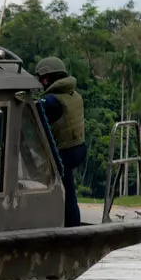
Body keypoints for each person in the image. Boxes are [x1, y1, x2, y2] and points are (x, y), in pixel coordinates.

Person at [35, 56, 86, 227]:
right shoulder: (73, 95)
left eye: (43, 79)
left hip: (63, 152)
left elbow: (33, 114)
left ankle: (55, 223)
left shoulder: (51, 101)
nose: (42, 83)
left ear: (50, 78)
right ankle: (72, 223)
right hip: (77, 149)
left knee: (51, 188)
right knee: (68, 189)